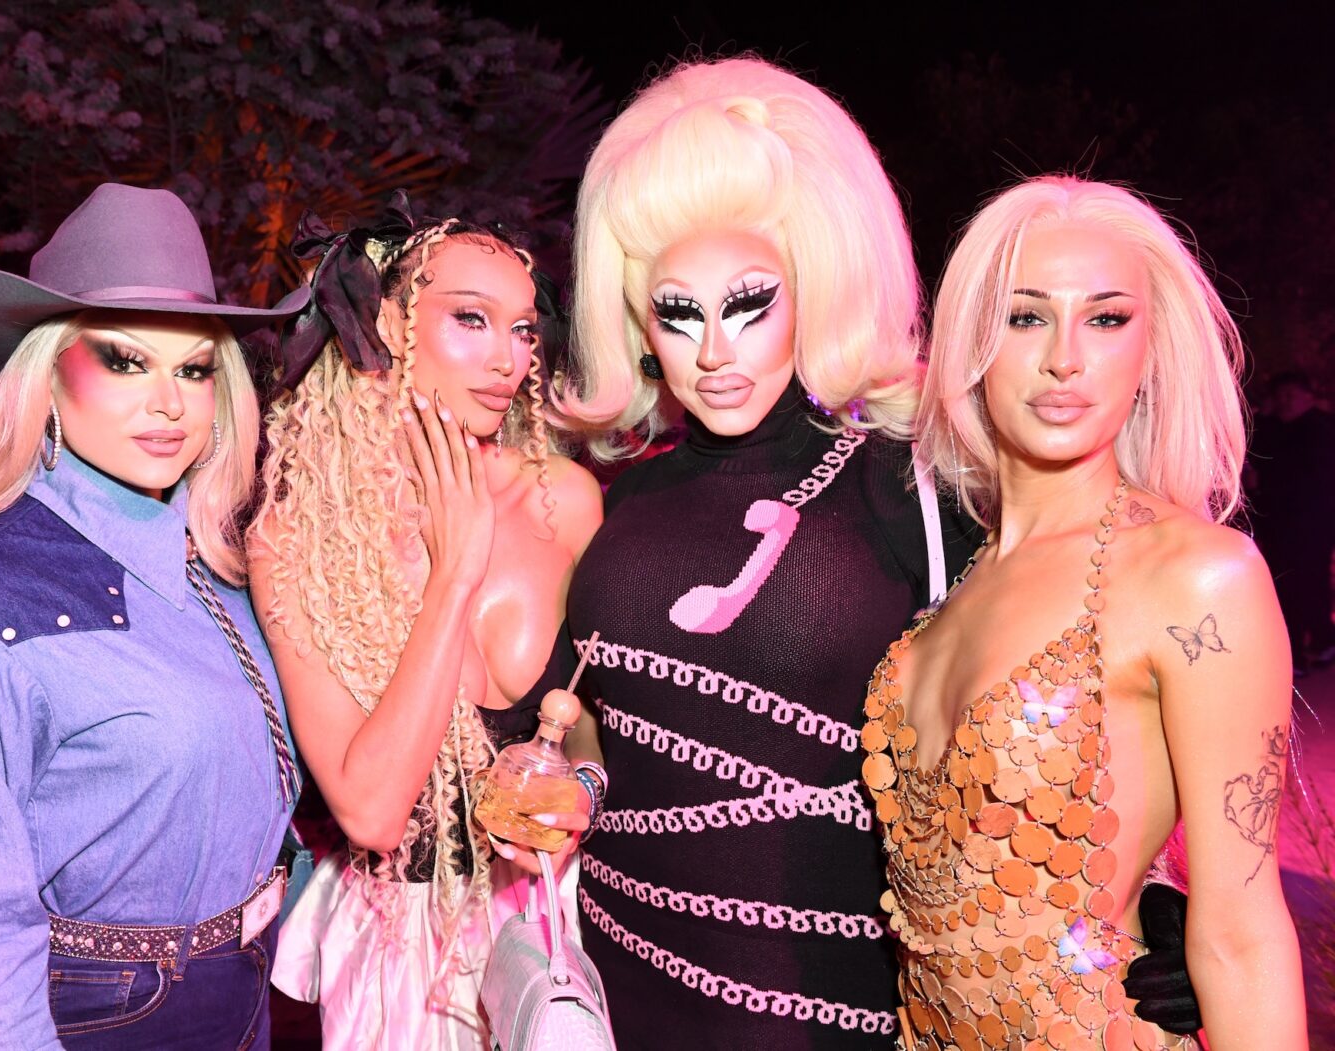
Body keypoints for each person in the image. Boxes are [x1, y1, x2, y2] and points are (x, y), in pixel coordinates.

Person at [555, 57, 980, 1049]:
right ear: (635, 318)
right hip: (615, 993)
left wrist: (1147, 887)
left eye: (749, 302)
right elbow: (580, 726)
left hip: (834, 1012)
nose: (715, 349)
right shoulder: (618, 504)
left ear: (811, 287)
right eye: (678, 311)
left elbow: (1056, 708)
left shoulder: (912, 486)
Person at [863, 175, 1306, 1048]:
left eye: (1106, 319)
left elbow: (1243, 933)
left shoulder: (1196, 578)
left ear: (1149, 349)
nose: (1065, 357)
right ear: (972, 344)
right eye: (1026, 317)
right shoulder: (951, 581)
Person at [0, 183, 308, 1050]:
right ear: (48, 375)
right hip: (101, 1022)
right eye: (125, 359)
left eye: (192, 368)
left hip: (248, 994)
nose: (170, 402)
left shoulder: (220, 571)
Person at [257, 198, 602, 1049]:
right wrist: (455, 572)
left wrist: (582, 784)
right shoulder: (303, 527)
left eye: (524, 331)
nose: (508, 357)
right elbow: (370, 809)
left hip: (552, 930)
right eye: (472, 320)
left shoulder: (565, 499)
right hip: (404, 950)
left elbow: (596, 709)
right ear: (388, 319)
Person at [1250, 370, 1335, 675]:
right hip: (1280, 524)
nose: (1285, 402)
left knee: (1307, 582)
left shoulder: (1320, 428)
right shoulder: (1273, 429)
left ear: (1307, 396)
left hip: (1312, 523)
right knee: (1288, 584)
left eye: (1291, 395)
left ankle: (1312, 643)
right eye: (1280, 396)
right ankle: (1303, 646)